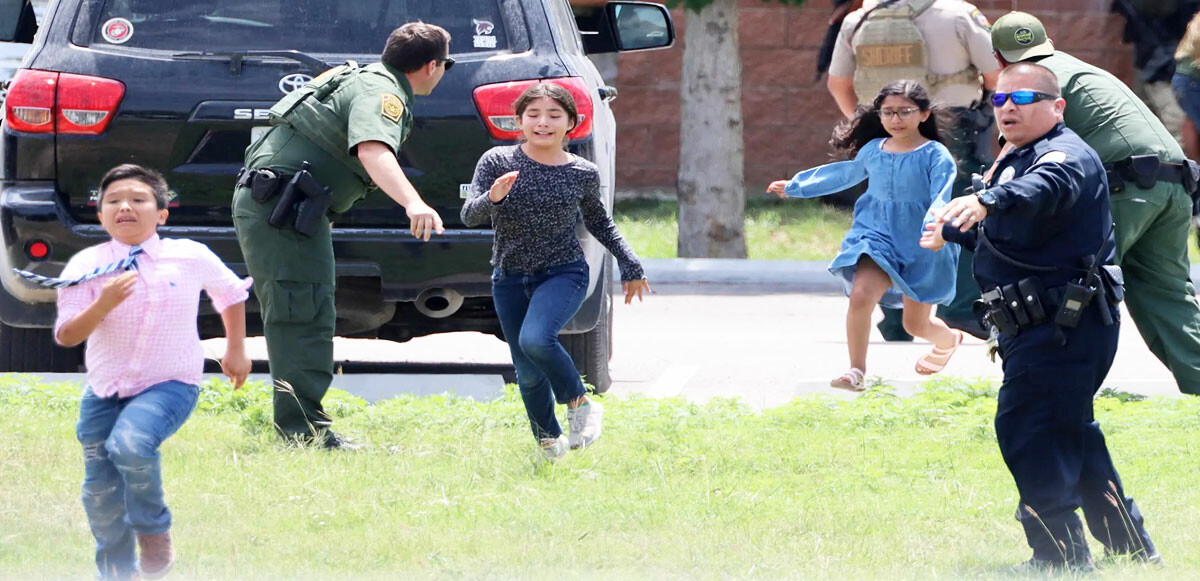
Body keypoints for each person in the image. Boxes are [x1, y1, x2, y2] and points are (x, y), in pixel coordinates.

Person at [921, 63, 1159, 571]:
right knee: (1069, 432)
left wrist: (986, 199)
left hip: (1065, 325)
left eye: (1024, 97)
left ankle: (1059, 556)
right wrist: (953, 229)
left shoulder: (1064, 155)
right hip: (1040, 326)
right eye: (1000, 100)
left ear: (1057, 107)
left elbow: (1041, 190)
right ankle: (1131, 548)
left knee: (1028, 429)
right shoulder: (1017, 156)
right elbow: (1016, 239)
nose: (1008, 107)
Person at [232, 22, 450, 448]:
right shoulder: (381, 93)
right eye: (446, 65)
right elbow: (372, 149)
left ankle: (302, 424)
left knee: (306, 310)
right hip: (282, 208)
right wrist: (414, 202)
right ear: (431, 66)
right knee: (302, 314)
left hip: (288, 207)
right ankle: (302, 431)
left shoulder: (359, 75)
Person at [45, 164, 252, 580]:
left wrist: (236, 351)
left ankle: (153, 533)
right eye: (113, 201)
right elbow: (67, 335)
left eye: (139, 199)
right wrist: (101, 305)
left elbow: (230, 294)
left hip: (171, 383)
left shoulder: (190, 254)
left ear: (162, 214)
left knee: (132, 443)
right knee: (100, 492)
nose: (125, 207)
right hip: (104, 389)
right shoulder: (87, 264)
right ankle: (118, 573)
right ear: (100, 215)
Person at [991, 12, 1200, 397]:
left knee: (1073, 281)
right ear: (1047, 43)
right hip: (1173, 181)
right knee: (1168, 296)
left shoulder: (1037, 83)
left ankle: (1056, 387)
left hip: (1126, 184)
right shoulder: (1075, 66)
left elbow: (1018, 146)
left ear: (999, 59)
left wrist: (989, 191)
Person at [461, 83, 650, 460]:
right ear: (518, 122)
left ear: (571, 124)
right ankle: (550, 444)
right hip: (509, 277)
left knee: (536, 340)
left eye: (553, 116)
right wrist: (491, 197)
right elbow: (469, 216)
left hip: (563, 272)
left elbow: (600, 223)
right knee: (527, 371)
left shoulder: (582, 172)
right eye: (532, 115)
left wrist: (631, 263)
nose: (542, 123)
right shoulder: (496, 162)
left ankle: (580, 403)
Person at [768, 80, 962, 391]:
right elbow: (844, 174)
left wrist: (935, 227)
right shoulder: (873, 149)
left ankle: (948, 340)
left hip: (921, 242)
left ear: (923, 115)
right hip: (876, 234)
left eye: (904, 112)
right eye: (888, 113)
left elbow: (941, 195)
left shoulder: (935, 154)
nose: (895, 120)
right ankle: (855, 371)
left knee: (915, 324)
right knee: (860, 297)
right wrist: (797, 186)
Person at [826, 0, 1001, 342]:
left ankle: (894, 320)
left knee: (889, 223)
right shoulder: (958, 15)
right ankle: (961, 312)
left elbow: (838, 84)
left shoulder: (859, 18)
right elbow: (997, 75)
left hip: (884, 131)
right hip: (952, 131)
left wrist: (868, 128)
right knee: (960, 216)